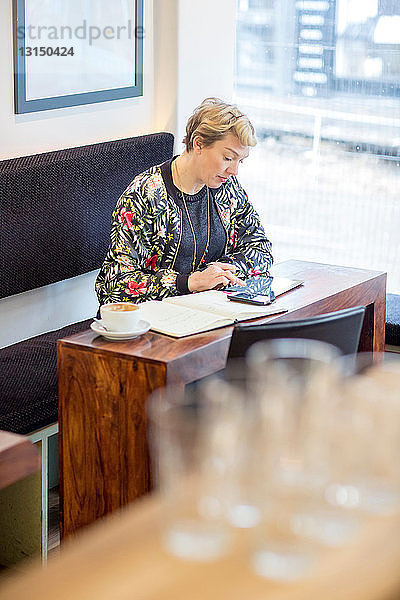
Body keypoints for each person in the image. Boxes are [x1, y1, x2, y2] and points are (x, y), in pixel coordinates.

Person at [95, 97, 273, 305]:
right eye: (227, 158)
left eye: (240, 161)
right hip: (151, 321)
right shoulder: (145, 195)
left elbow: (260, 248)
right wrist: (189, 282)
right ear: (198, 144)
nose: (234, 171)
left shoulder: (226, 187)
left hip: (207, 309)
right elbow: (113, 286)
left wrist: (219, 274)